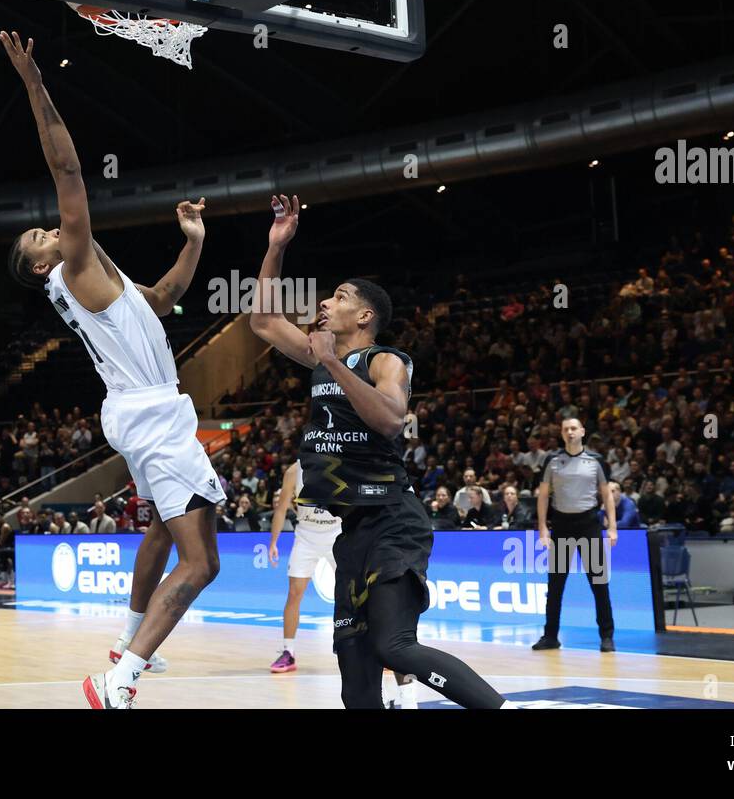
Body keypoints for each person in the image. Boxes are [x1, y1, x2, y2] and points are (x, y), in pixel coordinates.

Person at [0, 31, 222, 709]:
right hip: (152, 411)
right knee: (203, 561)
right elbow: (68, 174)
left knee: (164, 526)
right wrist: (35, 83)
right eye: (39, 237)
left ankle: (128, 641)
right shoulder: (72, 266)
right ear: (42, 265)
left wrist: (195, 243)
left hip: (139, 407)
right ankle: (118, 677)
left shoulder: (95, 276)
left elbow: (162, 300)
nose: (49, 230)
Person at [249, 194, 511, 710]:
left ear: (364, 315)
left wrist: (336, 366)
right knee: (354, 663)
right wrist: (276, 247)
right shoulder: (320, 356)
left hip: (394, 519)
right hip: (353, 531)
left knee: (394, 645)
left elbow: (392, 420)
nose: (324, 303)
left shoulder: (384, 359)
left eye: (338, 297)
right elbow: (262, 322)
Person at [533, 416, 617, 653]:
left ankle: (607, 636)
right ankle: (550, 636)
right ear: (561, 433)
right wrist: (542, 527)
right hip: (561, 525)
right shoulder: (552, 460)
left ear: (582, 431)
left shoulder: (596, 460)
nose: (570, 432)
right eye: (565, 429)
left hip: (589, 524)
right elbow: (543, 496)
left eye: (573, 428)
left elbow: (607, 495)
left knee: (599, 584)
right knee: (556, 586)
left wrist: (612, 527)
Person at [266, 461, 341, 674]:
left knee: (351, 592)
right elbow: (281, 510)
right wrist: (273, 542)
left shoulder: (339, 462)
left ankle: (362, 645)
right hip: (306, 536)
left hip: (337, 534)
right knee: (294, 592)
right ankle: (288, 652)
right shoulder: (293, 471)